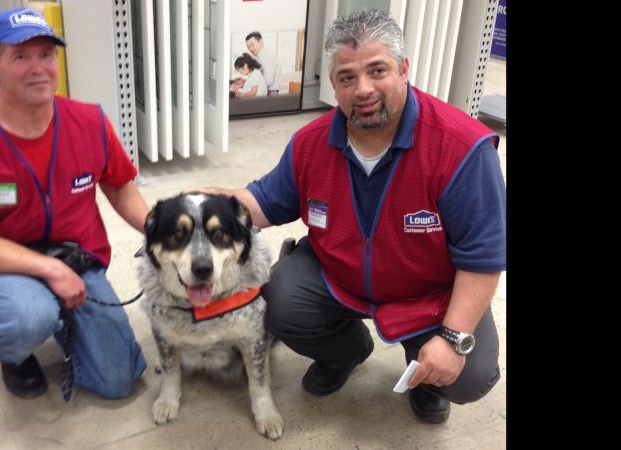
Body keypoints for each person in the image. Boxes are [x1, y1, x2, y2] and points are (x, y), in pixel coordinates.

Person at [206, 9, 504, 424]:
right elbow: (263, 203)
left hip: (427, 295)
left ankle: (427, 374)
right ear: (334, 84)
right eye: (347, 77)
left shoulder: (460, 149)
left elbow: (484, 257)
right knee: (280, 301)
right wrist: (204, 209)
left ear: (403, 69)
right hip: (339, 277)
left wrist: (453, 338)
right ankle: (346, 352)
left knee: (470, 375)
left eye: (377, 70)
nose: (362, 89)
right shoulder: (310, 144)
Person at [0, 8, 147, 400]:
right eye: (20, 57)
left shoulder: (89, 122)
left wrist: (159, 227)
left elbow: (120, 187)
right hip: (3, 264)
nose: (38, 68)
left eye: (46, 54)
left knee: (118, 380)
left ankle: (65, 320)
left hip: (76, 258)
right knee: (28, 317)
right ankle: (13, 350)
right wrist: (48, 269)